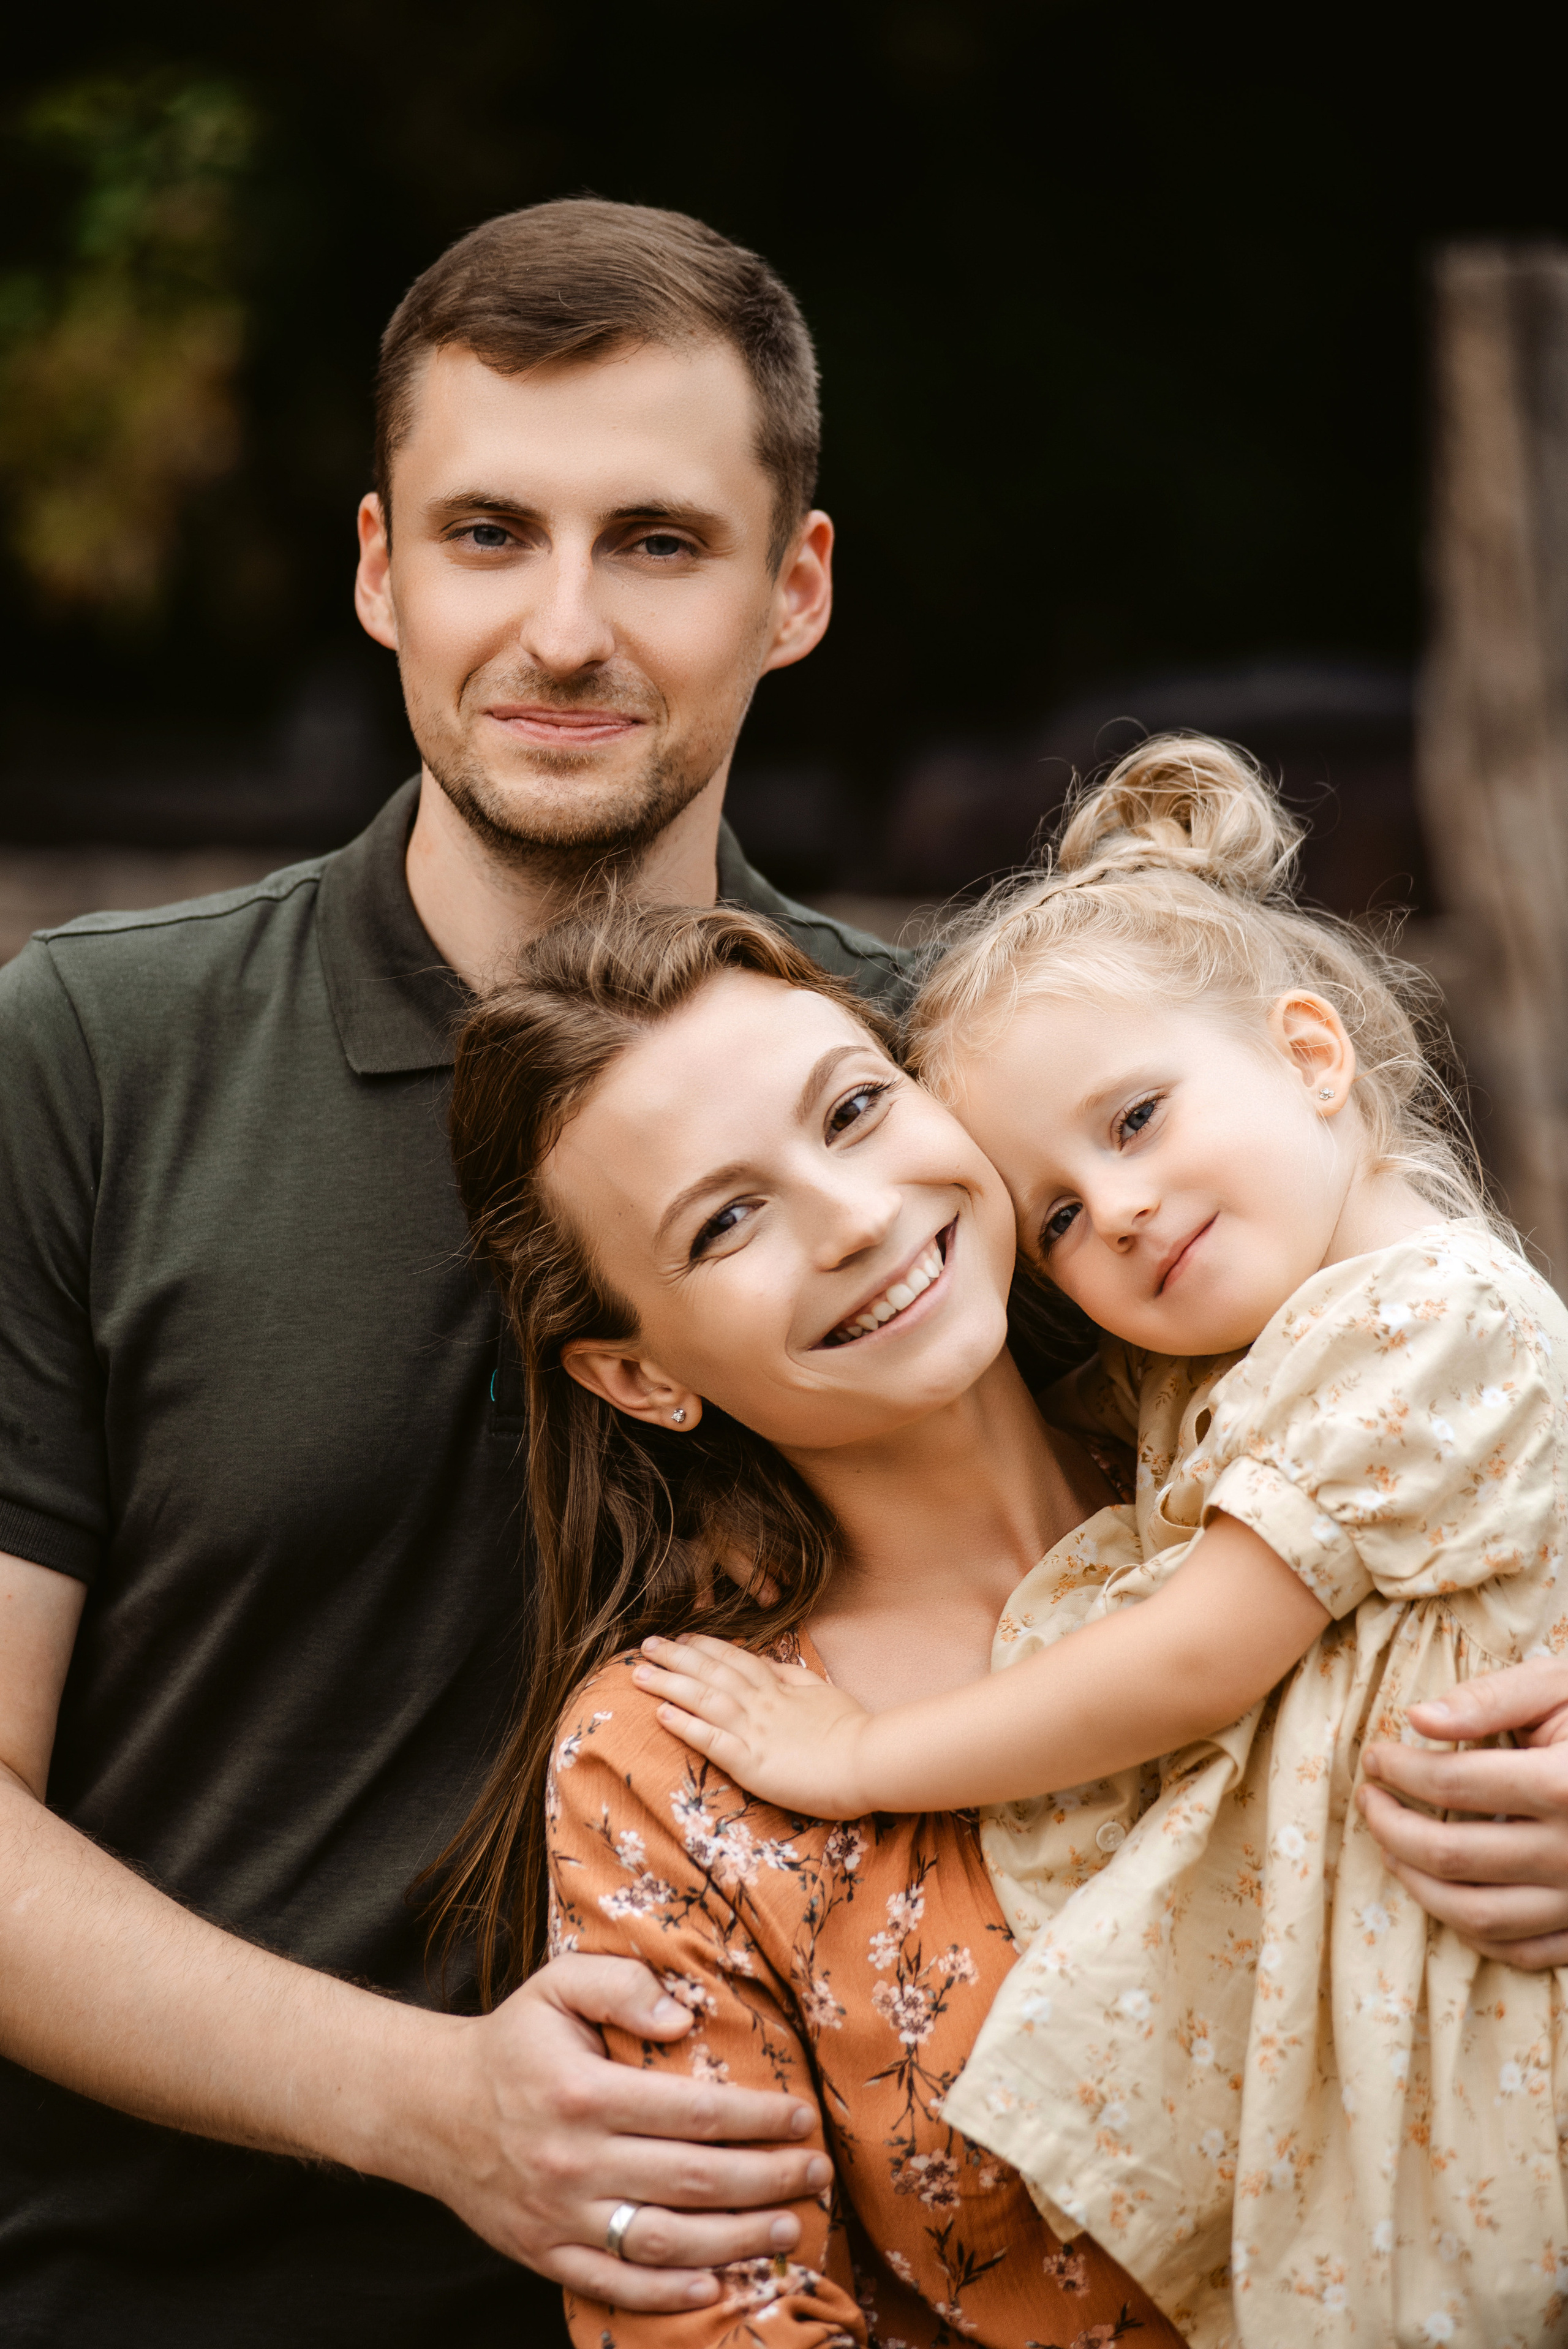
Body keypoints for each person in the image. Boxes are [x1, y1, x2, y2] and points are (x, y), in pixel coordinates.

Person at [0, 200, 910, 2347]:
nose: (564, 627)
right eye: (490, 532)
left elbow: (1357, 1526)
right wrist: (435, 2104)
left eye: (660, 543)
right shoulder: (93, 1059)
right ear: (379, 569)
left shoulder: (936, 1108)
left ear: (798, 589)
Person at [639, 736, 1568, 2348]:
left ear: (1314, 1053)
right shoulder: (1268, 1362)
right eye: (1055, 1213)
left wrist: (867, 1757)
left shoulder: (1426, 1317)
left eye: (1136, 1119)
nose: (1114, 1208)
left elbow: (1194, 1657)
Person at [439, 894, 1185, 2348]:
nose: (852, 1218)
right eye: (725, 1221)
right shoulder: (674, 1763)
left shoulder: (1281, 1450)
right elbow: (712, 2321)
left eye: (850, 1111)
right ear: (637, 1379)